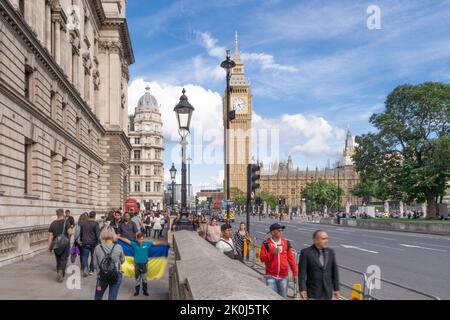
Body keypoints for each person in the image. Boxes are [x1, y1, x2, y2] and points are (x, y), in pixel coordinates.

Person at [298, 230, 340, 300]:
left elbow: (334, 272)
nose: (326, 241)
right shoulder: (306, 252)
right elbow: (302, 274)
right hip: (313, 292)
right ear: (315, 240)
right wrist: (302, 289)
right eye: (323, 239)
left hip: (327, 292)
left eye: (327, 238)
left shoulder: (330, 252)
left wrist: (336, 288)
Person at [260, 223, 298, 298]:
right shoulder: (266, 243)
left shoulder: (286, 243)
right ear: (273, 232)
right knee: (272, 297)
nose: (281, 232)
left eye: (282, 230)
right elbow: (262, 258)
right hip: (270, 276)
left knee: (283, 297)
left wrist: (295, 273)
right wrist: (272, 253)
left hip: (284, 277)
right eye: (279, 230)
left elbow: (291, 260)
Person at [94, 226, 125, 300]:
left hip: (102, 276)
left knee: (98, 297)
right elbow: (122, 260)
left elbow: (95, 264)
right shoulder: (118, 247)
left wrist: (99, 273)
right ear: (113, 234)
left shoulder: (97, 247)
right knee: (112, 297)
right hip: (116, 274)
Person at [48, 209, 74, 282]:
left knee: (58, 259)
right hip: (65, 244)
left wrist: (50, 246)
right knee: (64, 259)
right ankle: (61, 272)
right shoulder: (67, 222)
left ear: (57, 214)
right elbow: (70, 233)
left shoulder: (53, 223)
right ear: (63, 214)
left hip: (56, 244)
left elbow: (50, 236)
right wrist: (72, 229)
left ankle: (59, 270)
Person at [80, 211, 100, 277]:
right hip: (93, 243)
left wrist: (81, 240)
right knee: (93, 256)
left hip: (85, 242)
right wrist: (99, 242)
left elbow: (81, 233)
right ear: (95, 216)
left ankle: (85, 267)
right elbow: (97, 234)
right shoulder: (96, 224)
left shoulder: (83, 223)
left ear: (89, 216)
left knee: (84, 256)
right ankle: (91, 270)